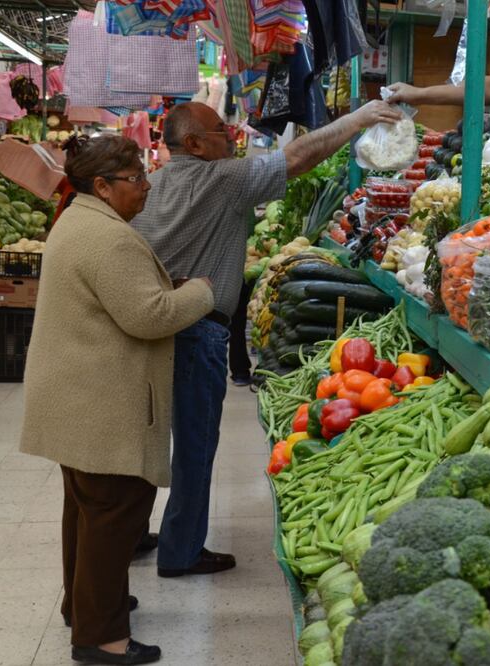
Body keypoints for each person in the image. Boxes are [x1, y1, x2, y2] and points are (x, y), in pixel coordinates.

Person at [131, 99, 403, 579]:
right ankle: (180, 551)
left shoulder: (150, 187)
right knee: (194, 443)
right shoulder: (223, 179)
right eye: (220, 129)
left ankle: (129, 534)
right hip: (198, 330)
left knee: (143, 436)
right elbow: (297, 157)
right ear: (193, 143)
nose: (232, 135)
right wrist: (357, 120)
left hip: (150, 325)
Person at [20, 135, 215, 665]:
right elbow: (148, 316)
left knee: (85, 511)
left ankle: (84, 606)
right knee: (115, 513)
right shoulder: (110, 239)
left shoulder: (77, 221)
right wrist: (200, 290)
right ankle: (101, 637)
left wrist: (160, 287)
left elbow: (119, 298)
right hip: (99, 403)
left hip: (73, 396)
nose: (146, 187)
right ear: (102, 186)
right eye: (135, 179)